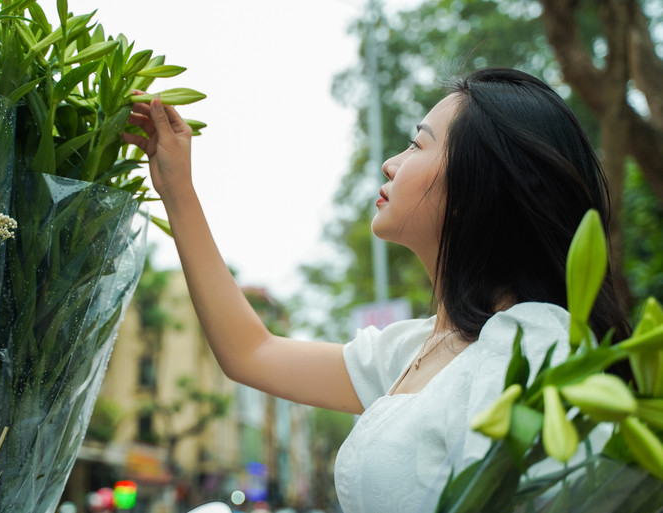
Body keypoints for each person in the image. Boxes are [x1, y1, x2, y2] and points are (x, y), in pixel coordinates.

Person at [121, 68, 629, 512]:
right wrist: (177, 189)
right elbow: (252, 352)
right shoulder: (417, 350)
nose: (391, 162)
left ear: (477, 184)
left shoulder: (533, 347)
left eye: (418, 143)